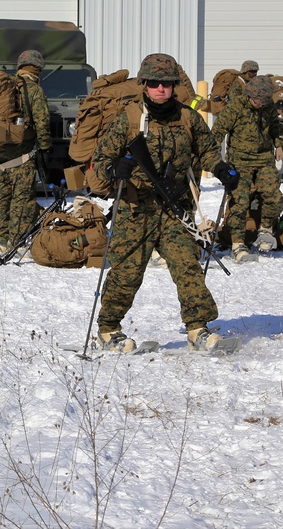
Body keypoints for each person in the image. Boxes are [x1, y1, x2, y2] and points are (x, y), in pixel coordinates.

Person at [92, 53, 238, 353]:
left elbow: (207, 150)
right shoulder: (129, 119)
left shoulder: (188, 118)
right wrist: (115, 168)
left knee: (187, 266)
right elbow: (101, 160)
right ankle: (108, 330)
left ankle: (198, 329)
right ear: (144, 85)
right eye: (155, 83)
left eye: (167, 84)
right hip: (136, 209)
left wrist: (221, 168)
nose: (161, 89)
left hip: (174, 208)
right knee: (126, 272)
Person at [211, 75, 283, 260]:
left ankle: (265, 229)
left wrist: (279, 145)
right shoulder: (235, 107)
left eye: (263, 102)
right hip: (239, 160)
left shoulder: (267, 105)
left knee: (275, 197)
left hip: (263, 159)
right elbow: (217, 132)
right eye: (256, 102)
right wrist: (215, 161)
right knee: (239, 203)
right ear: (248, 95)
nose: (259, 105)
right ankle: (238, 244)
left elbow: (274, 128)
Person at [0, 49, 51, 252]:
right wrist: (45, 147)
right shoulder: (33, 90)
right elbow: (42, 122)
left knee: (1, 196)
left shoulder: (3, 87)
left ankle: (1, 238)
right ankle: (16, 241)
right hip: (23, 156)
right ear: (37, 69)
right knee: (21, 200)